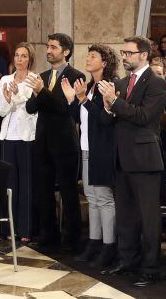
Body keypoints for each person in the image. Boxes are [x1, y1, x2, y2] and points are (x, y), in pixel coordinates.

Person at [98, 36, 166, 288]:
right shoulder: (122, 82)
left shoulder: (156, 83)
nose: (125, 56)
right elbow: (108, 121)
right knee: (126, 215)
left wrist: (115, 102)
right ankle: (128, 261)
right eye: (123, 52)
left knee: (148, 218)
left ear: (144, 55)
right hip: (122, 156)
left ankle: (150, 268)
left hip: (145, 158)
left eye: (129, 52)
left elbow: (143, 116)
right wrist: (107, 107)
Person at [24, 33, 85, 251]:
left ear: (66, 51)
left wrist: (42, 93)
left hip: (65, 143)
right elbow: (30, 108)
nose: (48, 50)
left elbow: (63, 108)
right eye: (48, 46)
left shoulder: (76, 75)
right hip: (42, 142)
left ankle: (72, 240)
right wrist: (37, 93)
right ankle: (48, 236)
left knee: (69, 193)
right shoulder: (42, 75)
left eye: (53, 47)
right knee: (44, 191)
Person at [61, 44, 118, 268]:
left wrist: (83, 98)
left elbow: (105, 120)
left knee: (104, 199)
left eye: (93, 56)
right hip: (86, 147)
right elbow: (80, 117)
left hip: (102, 150)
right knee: (92, 198)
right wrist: (71, 100)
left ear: (104, 63)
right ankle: (94, 242)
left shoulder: (108, 85)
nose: (88, 59)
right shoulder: (91, 86)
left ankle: (109, 246)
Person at [0, 42, 38, 243]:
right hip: (8, 137)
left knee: (26, 185)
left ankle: (25, 229)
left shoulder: (34, 79)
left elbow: (29, 105)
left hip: (27, 137)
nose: (19, 59)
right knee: (9, 185)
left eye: (23, 56)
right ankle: (7, 227)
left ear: (30, 59)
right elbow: (1, 111)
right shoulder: (5, 79)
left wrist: (14, 96)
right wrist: (7, 98)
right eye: (17, 55)